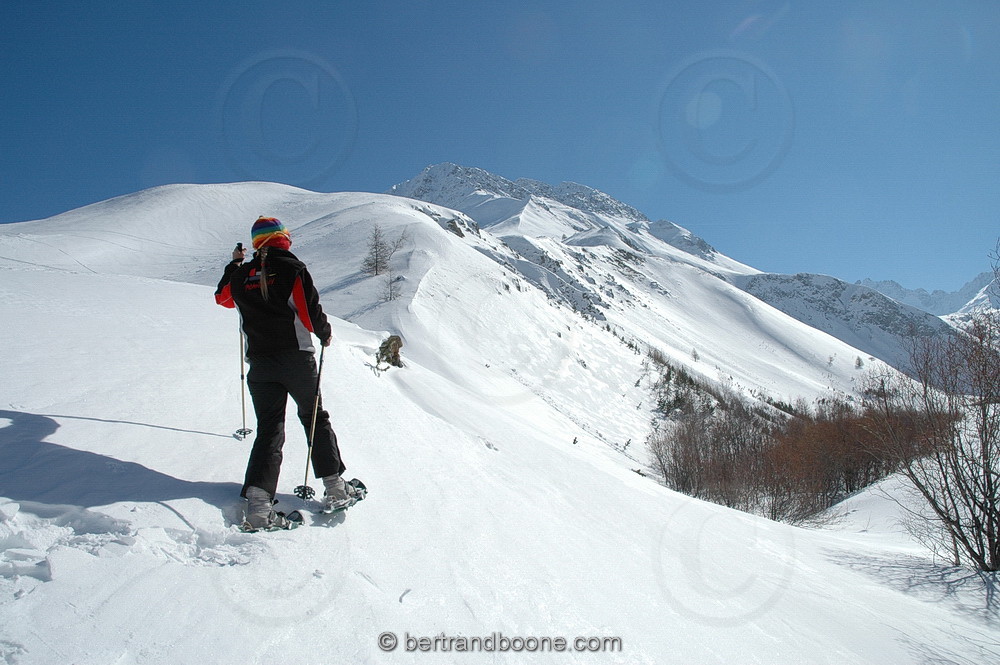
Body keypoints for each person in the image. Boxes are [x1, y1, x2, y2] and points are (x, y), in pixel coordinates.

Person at [215, 216, 349, 529]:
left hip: (260, 365)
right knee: (314, 417)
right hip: (296, 359)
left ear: (256, 243)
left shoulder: (242, 274)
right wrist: (324, 332)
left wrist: (235, 265)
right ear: (283, 239)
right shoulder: (292, 269)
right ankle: (334, 488)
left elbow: (222, 298)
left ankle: (259, 505)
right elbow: (308, 310)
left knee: (270, 428)